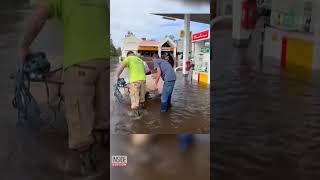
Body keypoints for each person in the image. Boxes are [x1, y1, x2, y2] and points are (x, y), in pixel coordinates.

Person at [18, 0, 109, 175]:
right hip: (108, 62)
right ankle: (108, 156)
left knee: (80, 118)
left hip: (80, 64)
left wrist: (24, 46)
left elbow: (38, 18)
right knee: (103, 114)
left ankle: (87, 165)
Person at [115, 51, 147, 117]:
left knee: (134, 100)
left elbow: (121, 67)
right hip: (143, 80)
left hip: (135, 81)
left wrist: (117, 76)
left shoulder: (128, 58)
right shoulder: (140, 60)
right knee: (142, 98)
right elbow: (145, 71)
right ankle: (143, 111)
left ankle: (136, 116)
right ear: (134, 54)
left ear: (128, 55)